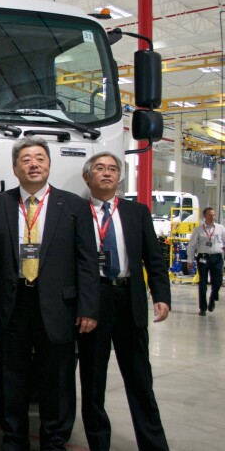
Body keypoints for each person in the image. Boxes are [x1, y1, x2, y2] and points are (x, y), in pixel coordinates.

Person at [0, 135, 98, 451]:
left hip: (58, 305)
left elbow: (87, 261)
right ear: (14, 167)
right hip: (13, 302)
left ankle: (55, 440)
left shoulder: (74, 206)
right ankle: (13, 439)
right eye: (26, 159)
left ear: (49, 165)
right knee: (11, 378)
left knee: (59, 379)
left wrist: (88, 308)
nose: (33, 164)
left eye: (40, 158)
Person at [77, 152, 171, 451]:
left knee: (140, 381)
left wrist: (161, 296)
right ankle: (98, 445)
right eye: (100, 168)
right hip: (94, 302)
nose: (107, 173)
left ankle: (154, 444)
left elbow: (154, 259)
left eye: (113, 169)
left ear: (119, 177)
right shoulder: (76, 212)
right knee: (93, 384)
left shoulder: (137, 212)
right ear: (87, 177)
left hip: (129, 298)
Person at [186, 206, 224, 316]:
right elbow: (191, 246)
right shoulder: (198, 229)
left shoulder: (220, 228)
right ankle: (202, 307)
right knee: (202, 283)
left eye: (213, 215)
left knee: (217, 282)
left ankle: (213, 298)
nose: (212, 217)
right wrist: (190, 260)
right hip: (203, 258)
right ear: (204, 216)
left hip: (217, 258)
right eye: (209, 215)